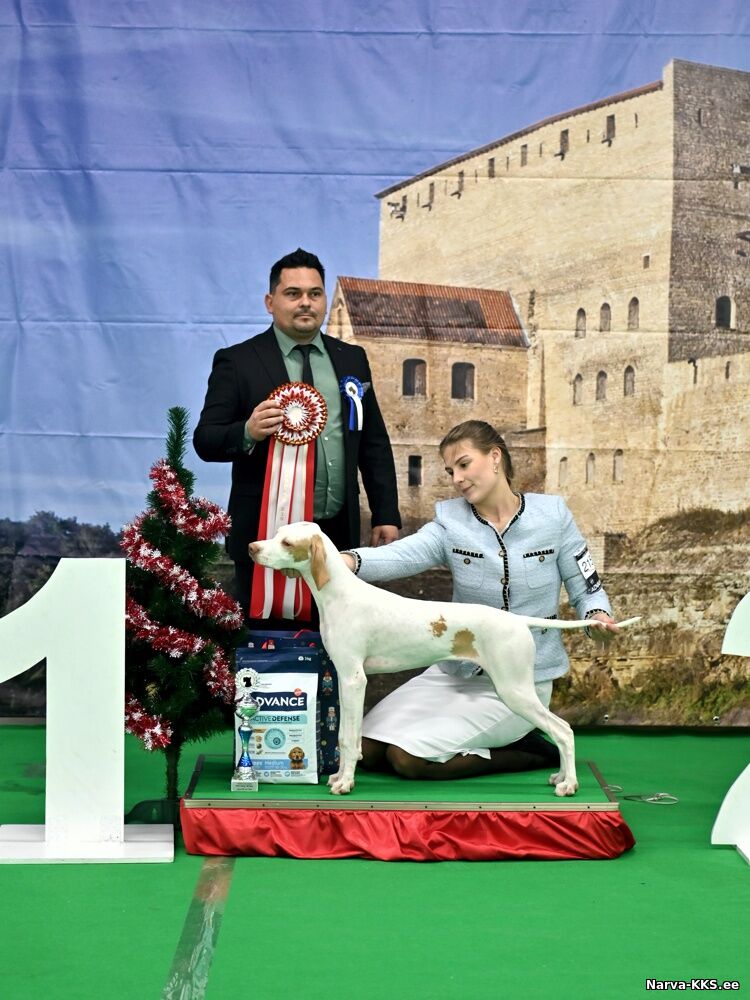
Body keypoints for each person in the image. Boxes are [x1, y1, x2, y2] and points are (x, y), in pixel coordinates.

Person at [341, 419, 621, 780]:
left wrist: (598, 614)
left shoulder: (553, 517)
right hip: (455, 675)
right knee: (367, 749)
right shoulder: (450, 522)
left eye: (464, 464)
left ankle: (529, 751)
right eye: (450, 471)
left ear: (495, 457)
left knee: (406, 759)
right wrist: (346, 560)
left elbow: (587, 587)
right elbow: (403, 555)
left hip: (520, 680)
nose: (457, 479)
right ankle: (482, 739)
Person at [193, 248, 401, 625]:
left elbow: (373, 443)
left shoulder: (352, 358)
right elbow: (205, 439)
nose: (306, 302)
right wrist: (247, 432)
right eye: (293, 293)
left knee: (336, 642)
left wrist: (385, 513)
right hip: (266, 536)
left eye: (315, 293)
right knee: (267, 647)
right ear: (270, 302)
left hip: (337, 536)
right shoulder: (237, 361)